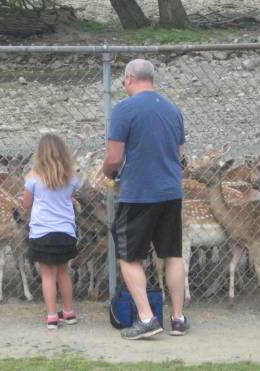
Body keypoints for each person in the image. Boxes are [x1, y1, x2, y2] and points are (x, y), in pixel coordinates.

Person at [102, 59, 189, 340]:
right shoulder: (172, 110)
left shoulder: (124, 109)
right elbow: (180, 155)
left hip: (138, 193)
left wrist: (108, 173)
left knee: (128, 254)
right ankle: (177, 317)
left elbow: (115, 157)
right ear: (151, 78)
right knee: (172, 254)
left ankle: (146, 317)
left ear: (128, 79)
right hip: (171, 191)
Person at [23, 134, 80, 330]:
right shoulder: (71, 177)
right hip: (65, 232)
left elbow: (27, 204)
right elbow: (69, 196)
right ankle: (69, 312)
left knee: (48, 275)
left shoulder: (33, 178)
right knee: (64, 273)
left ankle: (52, 316)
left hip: (42, 233)